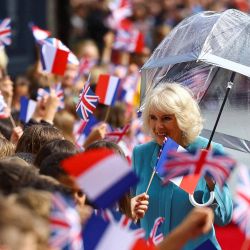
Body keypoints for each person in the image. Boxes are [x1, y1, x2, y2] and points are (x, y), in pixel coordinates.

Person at [131, 83, 233, 249]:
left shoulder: (209, 150)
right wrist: (131, 210)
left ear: (183, 118)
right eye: (153, 118)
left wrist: (211, 184)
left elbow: (225, 217)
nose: (158, 127)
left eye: (166, 118)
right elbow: (131, 218)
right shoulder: (140, 154)